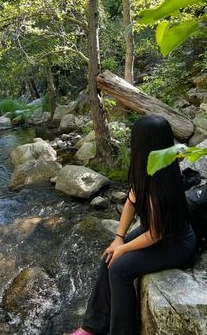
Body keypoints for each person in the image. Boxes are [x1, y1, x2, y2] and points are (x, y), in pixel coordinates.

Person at [70, 115, 196, 335]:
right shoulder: (145, 167)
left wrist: (124, 249)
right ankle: (92, 326)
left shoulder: (163, 180)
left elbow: (156, 234)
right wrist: (118, 239)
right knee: (109, 255)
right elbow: (131, 200)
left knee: (119, 269)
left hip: (176, 243)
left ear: (141, 144)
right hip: (155, 231)